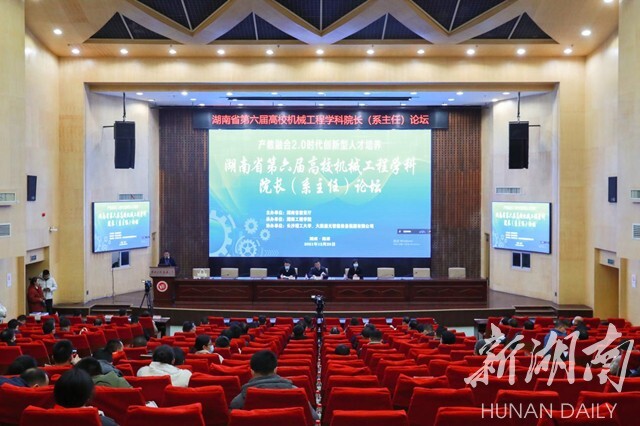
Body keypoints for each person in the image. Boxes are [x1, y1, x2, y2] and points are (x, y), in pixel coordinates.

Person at [230, 350, 319, 421]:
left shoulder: (241, 398)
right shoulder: (296, 392)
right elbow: (314, 417)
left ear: (252, 372)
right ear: (276, 369)